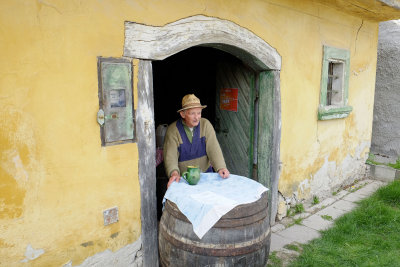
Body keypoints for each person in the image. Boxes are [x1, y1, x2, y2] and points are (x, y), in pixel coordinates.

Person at [163, 94, 230, 188]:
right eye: (192, 113)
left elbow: (214, 148)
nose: (197, 117)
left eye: (199, 113)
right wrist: (174, 173)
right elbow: (170, 157)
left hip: (205, 176)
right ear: (183, 114)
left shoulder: (205, 125)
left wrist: (221, 167)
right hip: (183, 178)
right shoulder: (173, 130)